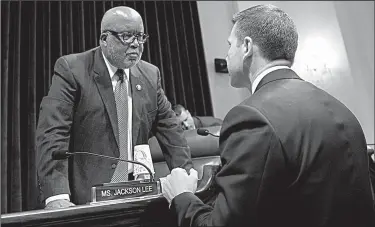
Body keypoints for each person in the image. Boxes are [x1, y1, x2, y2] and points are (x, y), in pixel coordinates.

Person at [161, 4, 375, 227]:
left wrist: (181, 196)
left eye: (229, 45)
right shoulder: (340, 108)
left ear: (246, 47)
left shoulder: (252, 117)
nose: (227, 53)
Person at [36, 6, 193, 209]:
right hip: (86, 197)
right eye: (127, 36)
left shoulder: (150, 75)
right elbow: (53, 134)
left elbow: (172, 134)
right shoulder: (72, 69)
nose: (136, 44)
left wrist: (187, 179)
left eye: (140, 36)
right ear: (104, 39)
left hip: (138, 192)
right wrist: (56, 196)